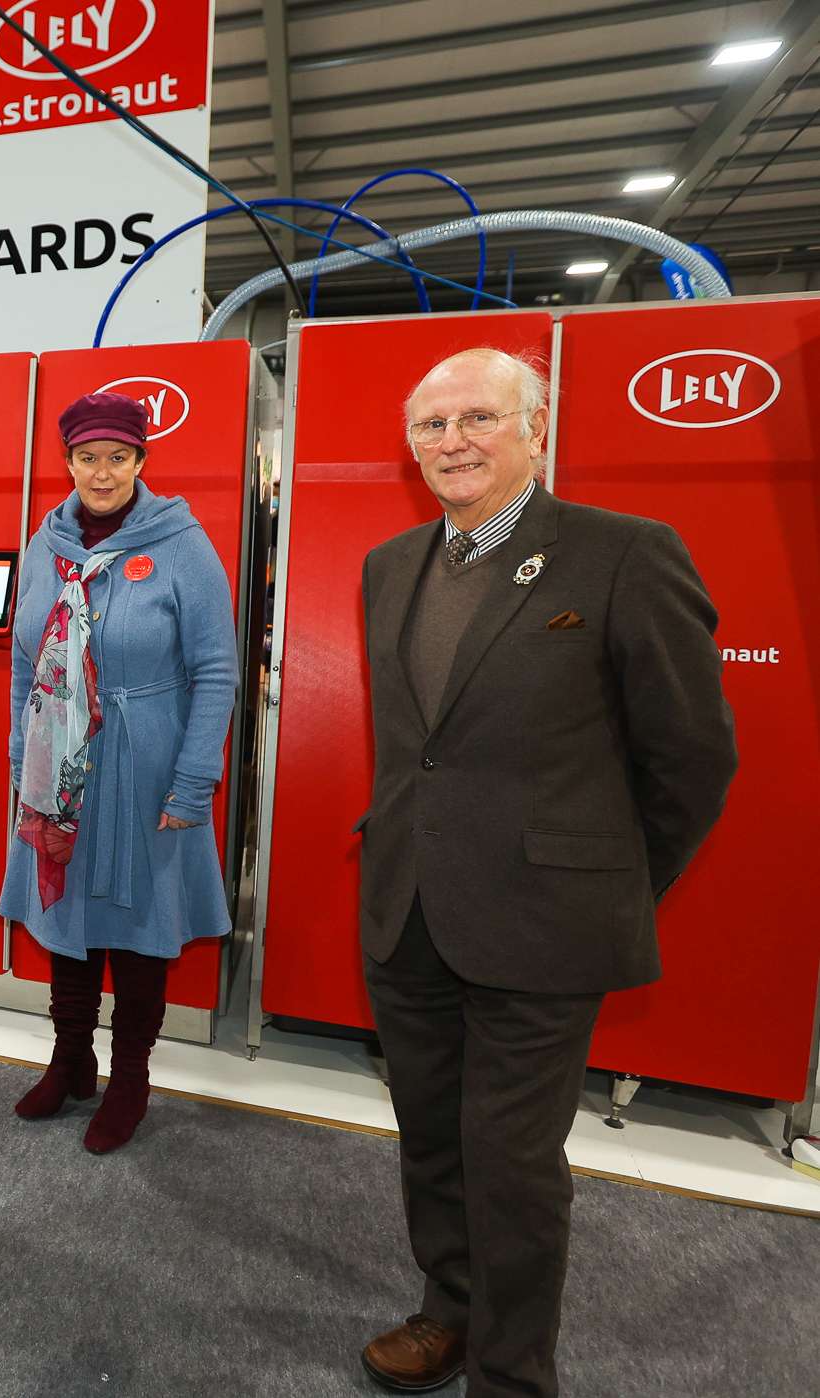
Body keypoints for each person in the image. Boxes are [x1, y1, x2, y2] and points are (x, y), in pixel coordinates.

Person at [356, 349, 737, 1397]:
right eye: (429, 426)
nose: (450, 442)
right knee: (429, 1135)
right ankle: (447, 1311)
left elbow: (692, 756)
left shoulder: (622, 554)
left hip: (543, 925)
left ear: (537, 429)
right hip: (408, 913)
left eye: (477, 417)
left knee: (512, 1163)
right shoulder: (388, 565)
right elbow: (415, 751)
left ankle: (512, 1373)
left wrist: (605, 881)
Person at [0, 392, 238, 1155]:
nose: (103, 472)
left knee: (139, 931)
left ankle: (129, 1077)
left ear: (141, 461)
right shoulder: (47, 545)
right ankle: (72, 1060)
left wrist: (194, 782)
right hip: (58, 767)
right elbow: (22, 659)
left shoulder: (181, 544)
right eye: (88, 457)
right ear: (66, 463)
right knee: (63, 916)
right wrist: (20, 759)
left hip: (146, 764)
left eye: (119, 457)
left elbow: (216, 669)